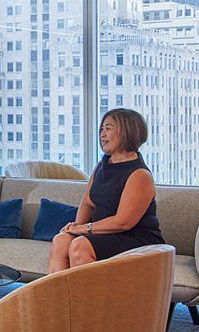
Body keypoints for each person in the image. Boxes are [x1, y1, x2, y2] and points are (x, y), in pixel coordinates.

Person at [50, 108, 165, 273]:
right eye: (101, 129)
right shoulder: (102, 166)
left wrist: (84, 229)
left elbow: (123, 222)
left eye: (108, 128)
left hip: (136, 238)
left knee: (80, 245)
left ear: (127, 132)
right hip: (104, 234)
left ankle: (89, 291)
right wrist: (76, 225)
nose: (102, 134)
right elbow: (88, 202)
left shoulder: (140, 174)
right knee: (61, 240)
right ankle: (58, 291)